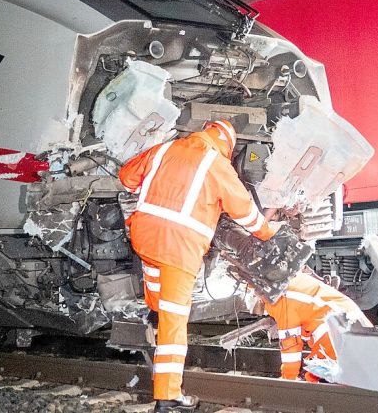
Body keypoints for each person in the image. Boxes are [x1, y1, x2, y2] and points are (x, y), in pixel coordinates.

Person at [119, 119, 277, 412]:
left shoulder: (165, 149)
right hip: (178, 250)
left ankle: (153, 314)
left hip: (145, 239)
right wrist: (268, 234)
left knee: (156, 285)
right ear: (227, 146)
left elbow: (126, 177)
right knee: (174, 323)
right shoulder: (216, 164)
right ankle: (167, 398)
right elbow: (244, 211)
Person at [262, 269, 372, 382]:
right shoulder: (294, 280)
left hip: (339, 339)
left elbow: (290, 346)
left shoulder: (281, 299)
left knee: (314, 383)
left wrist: (288, 380)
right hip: (356, 331)